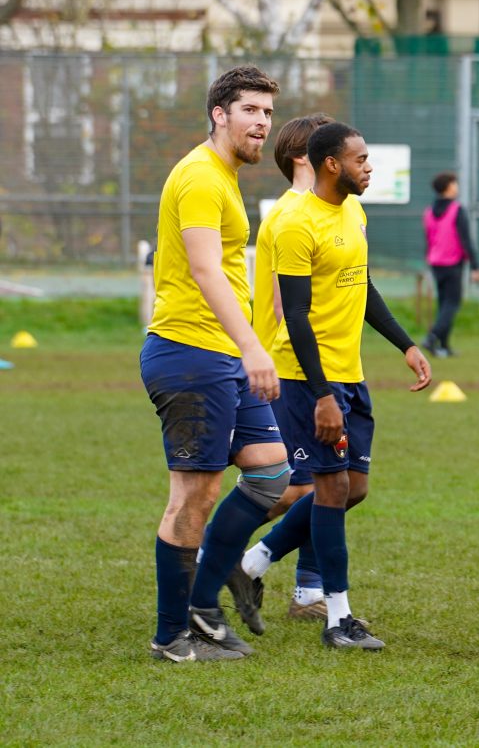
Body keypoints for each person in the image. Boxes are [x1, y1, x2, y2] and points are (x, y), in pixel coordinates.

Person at [238, 122, 432, 650]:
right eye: (361, 159)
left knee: (354, 488)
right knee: (330, 488)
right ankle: (336, 618)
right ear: (330, 164)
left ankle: (251, 561)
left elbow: (363, 288)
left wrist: (406, 345)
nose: (369, 168)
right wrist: (322, 394)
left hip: (350, 373)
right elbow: (296, 316)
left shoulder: (353, 211)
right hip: (307, 378)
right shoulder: (295, 222)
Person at [140, 65, 288, 662]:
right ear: (218, 114)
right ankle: (173, 635)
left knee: (273, 475)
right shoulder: (201, 177)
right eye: (250, 110)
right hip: (189, 352)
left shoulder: (224, 177)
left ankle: (204, 599)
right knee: (194, 497)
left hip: (221, 353)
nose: (262, 124)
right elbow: (204, 270)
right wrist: (254, 346)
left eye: (268, 113)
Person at [224, 112, 335, 635]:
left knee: (324, 484)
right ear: (303, 158)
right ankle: (221, 554)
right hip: (289, 371)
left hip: (324, 369)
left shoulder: (331, 211)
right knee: (299, 489)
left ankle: (308, 589)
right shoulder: (290, 215)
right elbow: (283, 303)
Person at [422, 172, 479, 357]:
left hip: (435, 263)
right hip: (453, 263)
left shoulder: (429, 212)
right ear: (448, 187)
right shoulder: (457, 210)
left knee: (444, 304)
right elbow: (466, 240)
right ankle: (431, 338)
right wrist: (475, 266)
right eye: (454, 183)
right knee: (452, 304)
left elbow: (429, 239)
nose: (456, 187)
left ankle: (444, 346)